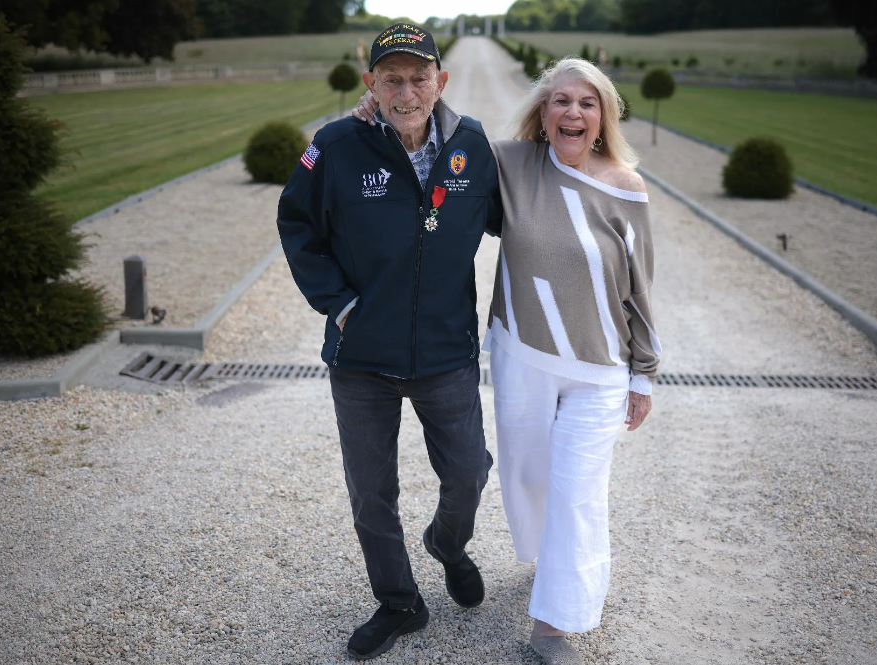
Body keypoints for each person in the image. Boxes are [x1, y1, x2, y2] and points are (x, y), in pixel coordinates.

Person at [352, 57, 659, 664]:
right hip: (523, 356)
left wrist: (643, 372)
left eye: (587, 103)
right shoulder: (510, 164)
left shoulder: (626, 186)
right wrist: (377, 115)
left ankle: (553, 626)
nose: (573, 112)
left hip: (599, 369)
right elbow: (436, 147)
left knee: (578, 491)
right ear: (542, 115)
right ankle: (552, 561)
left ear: (603, 117)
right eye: (560, 102)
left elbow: (640, 286)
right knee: (525, 478)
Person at [277, 23, 503, 661]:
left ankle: (448, 543)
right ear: (371, 83)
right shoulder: (337, 145)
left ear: (441, 81)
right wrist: (340, 304)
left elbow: (516, 219)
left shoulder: (472, 147)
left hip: (446, 354)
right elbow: (297, 224)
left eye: (418, 77)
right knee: (372, 491)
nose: (407, 91)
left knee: (469, 472)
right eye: (392, 78)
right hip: (362, 360)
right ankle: (399, 602)